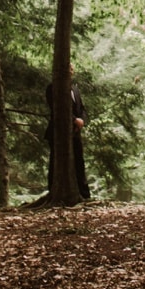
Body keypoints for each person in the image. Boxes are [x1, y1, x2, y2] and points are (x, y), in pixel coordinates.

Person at [44, 65, 89, 202]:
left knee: (79, 161)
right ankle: (54, 191)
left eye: (71, 70)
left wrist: (82, 120)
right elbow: (57, 109)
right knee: (56, 161)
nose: (69, 73)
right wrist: (74, 120)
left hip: (75, 132)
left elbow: (81, 108)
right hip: (58, 132)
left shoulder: (75, 89)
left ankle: (84, 194)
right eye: (66, 70)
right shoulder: (52, 88)